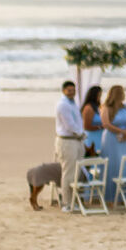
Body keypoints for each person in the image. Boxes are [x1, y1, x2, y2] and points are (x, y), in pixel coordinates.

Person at [100, 85, 126, 205]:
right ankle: (111, 198)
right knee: (114, 165)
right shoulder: (106, 107)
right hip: (112, 139)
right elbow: (106, 124)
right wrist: (122, 131)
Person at [53, 80, 85, 208]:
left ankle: (74, 200)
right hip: (67, 141)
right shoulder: (62, 105)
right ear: (63, 91)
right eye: (69, 90)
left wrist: (81, 134)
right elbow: (69, 124)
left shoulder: (73, 104)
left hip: (76, 140)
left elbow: (78, 121)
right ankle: (66, 203)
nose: (72, 93)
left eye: (73, 90)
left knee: (76, 172)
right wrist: (81, 133)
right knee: (68, 172)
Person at [80, 85, 104, 157]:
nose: (100, 98)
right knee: (93, 157)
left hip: (100, 137)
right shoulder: (88, 108)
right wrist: (101, 127)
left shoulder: (97, 107)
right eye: (99, 95)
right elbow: (86, 126)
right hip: (92, 137)